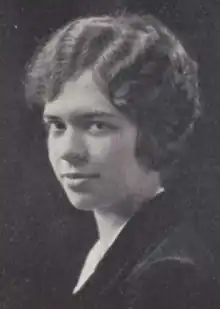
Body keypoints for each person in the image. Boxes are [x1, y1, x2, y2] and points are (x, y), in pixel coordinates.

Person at [25, 13, 220, 309]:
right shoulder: (100, 249)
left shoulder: (170, 275)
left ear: (155, 130)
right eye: (57, 125)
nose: (68, 151)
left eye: (96, 125)